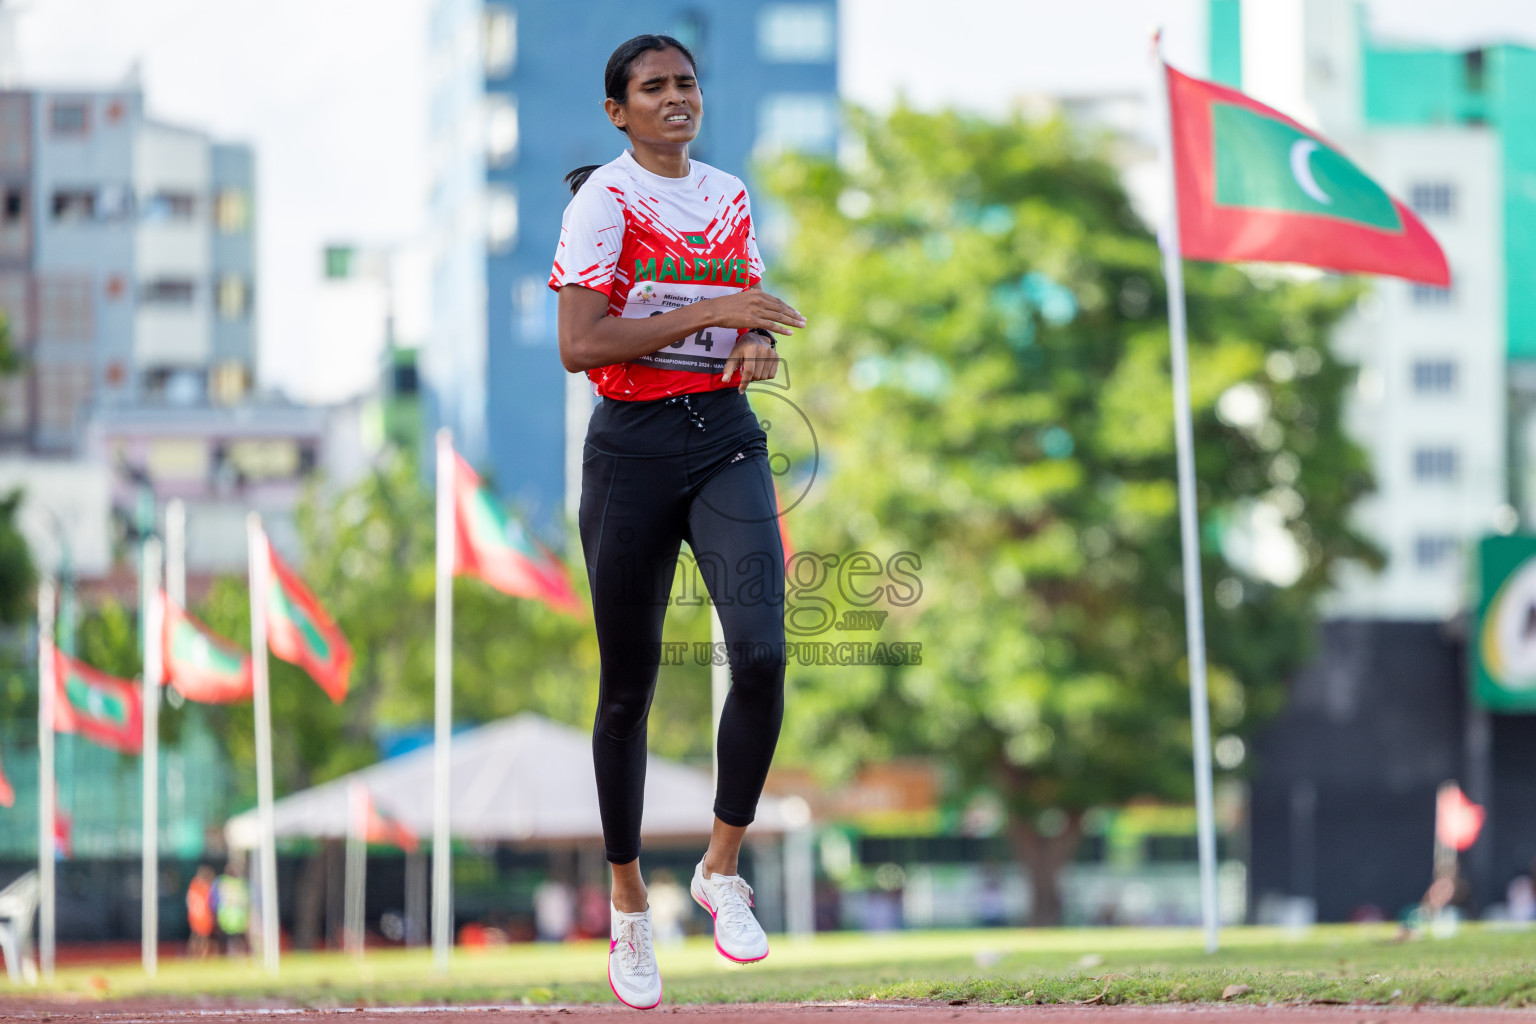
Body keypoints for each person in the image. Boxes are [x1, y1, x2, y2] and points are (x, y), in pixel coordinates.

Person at [550, 33, 806, 1011]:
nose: (674, 98)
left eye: (686, 83)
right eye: (652, 88)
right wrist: (710, 307)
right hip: (630, 453)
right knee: (629, 690)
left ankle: (721, 868)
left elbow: (741, 326)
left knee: (768, 654)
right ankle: (626, 905)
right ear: (618, 110)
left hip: (726, 440)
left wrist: (752, 343)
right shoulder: (601, 203)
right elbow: (581, 343)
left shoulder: (729, 193)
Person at [186, 865, 216, 957]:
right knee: (203, 939)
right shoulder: (203, 889)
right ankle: (202, 956)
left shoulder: (193, 886)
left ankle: (194, 955)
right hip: (203, 918)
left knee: (196, 937)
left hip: (194, 917)